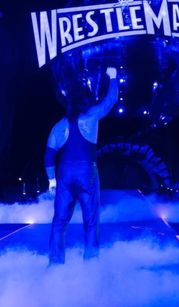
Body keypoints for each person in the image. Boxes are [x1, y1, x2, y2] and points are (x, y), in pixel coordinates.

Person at [44, 66, 118, 264]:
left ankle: (55, 263)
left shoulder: (59, 126)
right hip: (86, 171)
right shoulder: (92, 116)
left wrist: (52, 181)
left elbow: (49, 155)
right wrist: (113, 77)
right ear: (85, 101)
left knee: (59, 221)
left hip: (64, 173)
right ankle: (91, 262)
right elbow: (110, 100)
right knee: (91, 220)